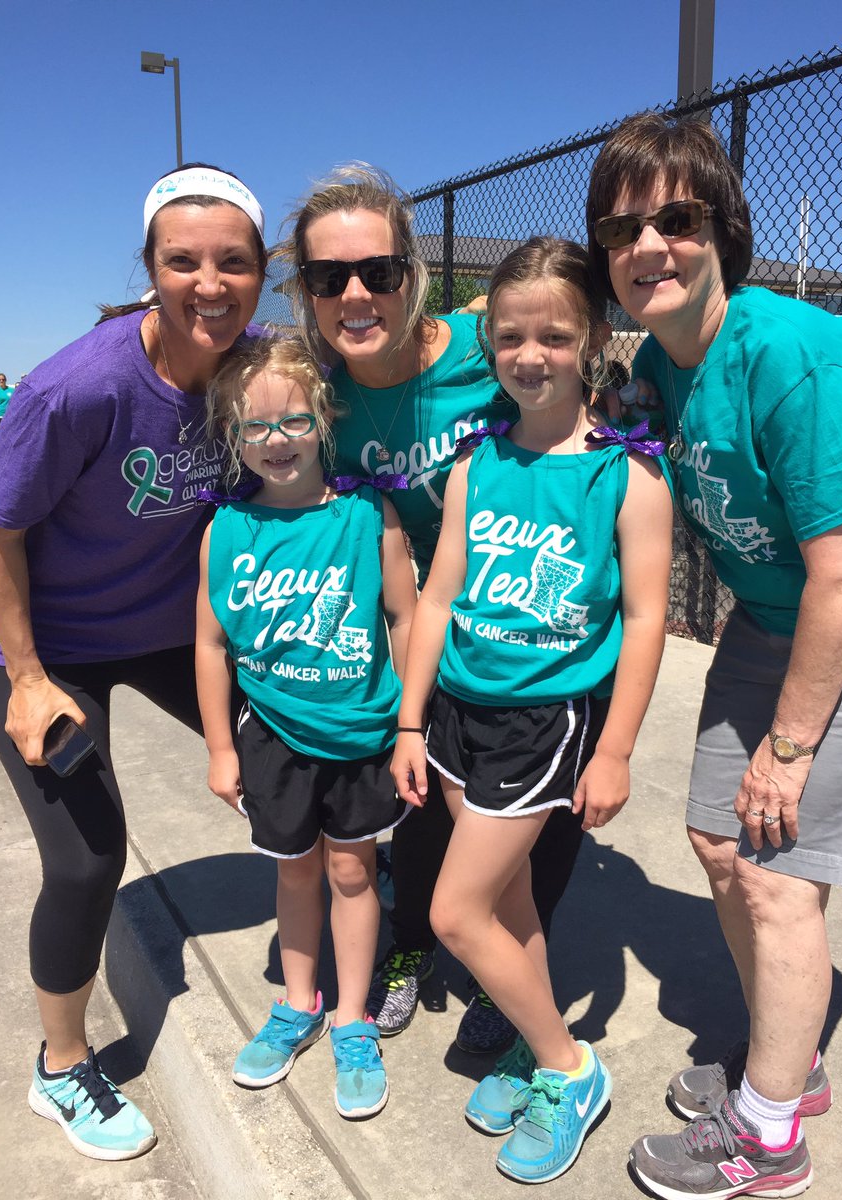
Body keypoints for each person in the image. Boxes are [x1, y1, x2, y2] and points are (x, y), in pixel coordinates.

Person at [586, 112, 842, 1199]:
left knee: (774, 880)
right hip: (766, 623)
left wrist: (793, 748)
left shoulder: (795, 355)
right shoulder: (659, 370)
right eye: (621, 231)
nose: (648, 246)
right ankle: (786, 1057)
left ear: (724, 232)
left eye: (675, 218)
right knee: (719, 841)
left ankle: (769, 1138)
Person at [282, 165, 613, 1053]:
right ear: (304, 290)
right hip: (417, 632)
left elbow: (578, 360)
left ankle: (512, 981)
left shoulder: (486, 343)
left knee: (541, 828)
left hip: (533, 631)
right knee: (419, 805)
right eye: (327, 278)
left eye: (378, 272)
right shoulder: (316, 392)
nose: (355, 294)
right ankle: (412, 944)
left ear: (413, 273)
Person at [0, 163, 268, 1160]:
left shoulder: (255, 365)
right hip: (44, 646)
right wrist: (24, 679)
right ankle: (60, 1067)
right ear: (152, 270)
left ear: (260, 272)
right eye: (184, 261)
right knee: (86, 855)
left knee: (300, 735)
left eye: (232, 262)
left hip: (163, 629)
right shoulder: (78, 389)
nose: (209, 282)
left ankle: (353, 922)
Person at [391, 237, 672, 1183]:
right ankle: (530, 1035)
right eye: (510, 335)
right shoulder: (478, 463)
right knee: (507, 904)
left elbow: (643, 623)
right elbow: (435, 600)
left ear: (593, 338)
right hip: (458, 718)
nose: (530, 354)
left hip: (543, 726)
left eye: (554, 334)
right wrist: (408, 721)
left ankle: (569, 1066)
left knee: (454, 914)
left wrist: (618, 749)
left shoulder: (626, 477)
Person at [196, 334, 416, 1119]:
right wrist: (222, 746)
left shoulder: (367, 513)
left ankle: (353, 1018)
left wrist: (413, 729)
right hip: (273, 739)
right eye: (253, 429)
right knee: (294, 872)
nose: (275, 441)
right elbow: (212, 641)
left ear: (322, 416)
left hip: (360, 735)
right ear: (233, 437)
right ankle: (300, 1001)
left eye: (290, 420)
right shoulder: (226, 530)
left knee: (354, 872)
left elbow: (407, 615)